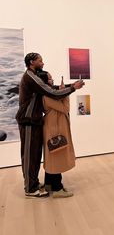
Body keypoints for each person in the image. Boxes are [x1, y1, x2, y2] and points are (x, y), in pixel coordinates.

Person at [16, 52, 85, 198]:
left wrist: (70, 86)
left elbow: (51, 88)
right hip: (28, 120)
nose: (43, 62)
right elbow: (51, 92)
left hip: (35, 121)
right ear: (32, 61)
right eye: (40, 60)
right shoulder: (31, 76)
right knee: (29, 156)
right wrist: (73, 88)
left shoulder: (36, 78)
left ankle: (34, 183)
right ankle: (30, 188)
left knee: (35, 155)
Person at [37, 70, 76, 198]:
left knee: (53, 157)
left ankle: (49, 185)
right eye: (49, 79)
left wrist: (62, 92)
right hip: (55, 128)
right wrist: (66, 94)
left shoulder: (48, 94)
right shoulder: (47, 96)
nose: (52, 80)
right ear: (43, 82)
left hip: (54, 126)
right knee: (56, 157)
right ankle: (58, 188)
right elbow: (65, 108)